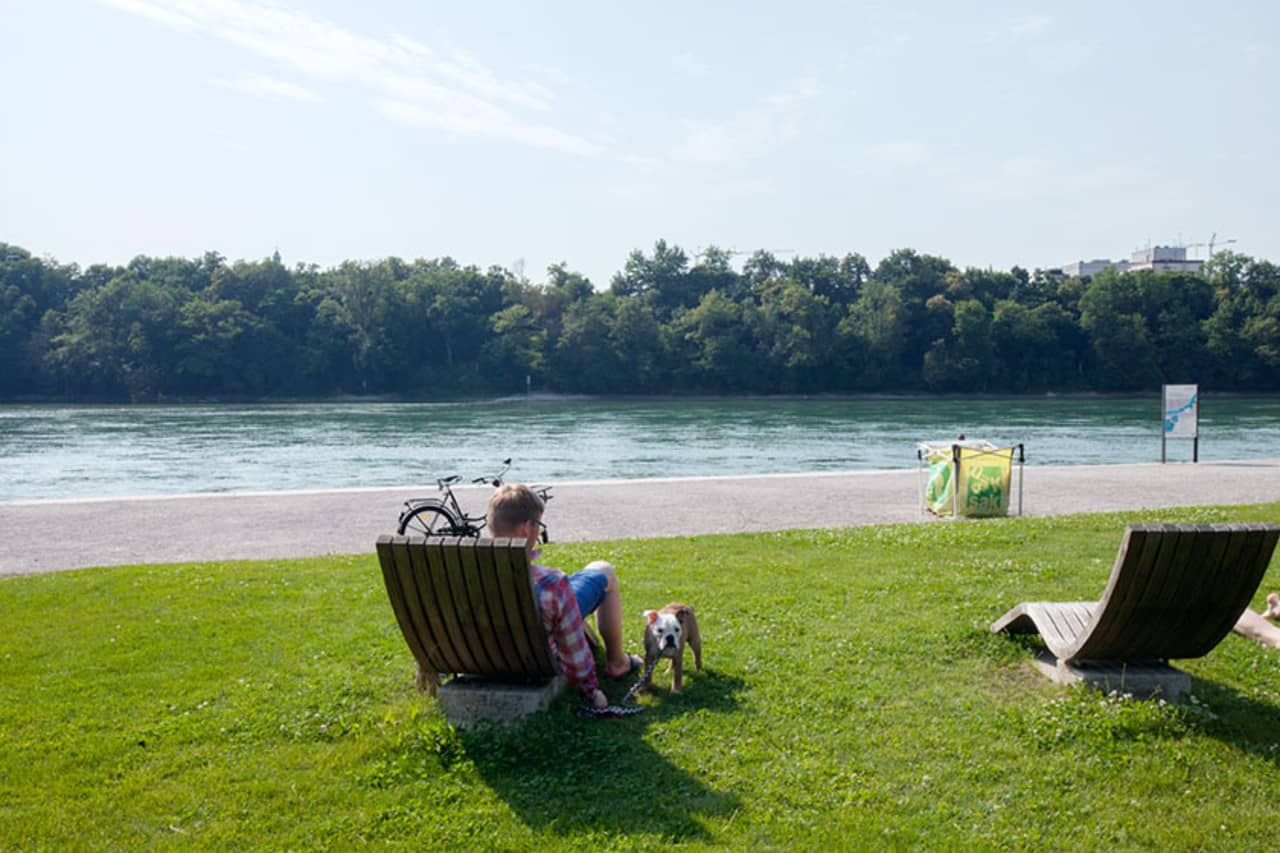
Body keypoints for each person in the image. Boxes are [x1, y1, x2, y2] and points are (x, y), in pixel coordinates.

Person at [486, 483, 641, 710]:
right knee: (603, 570)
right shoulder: (551, 585)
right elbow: (573, 651)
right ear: (527, 529)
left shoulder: (459, 576)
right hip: (535, 657)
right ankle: (617, 663)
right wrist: (592, 692)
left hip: (485, 658)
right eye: (538, 526)